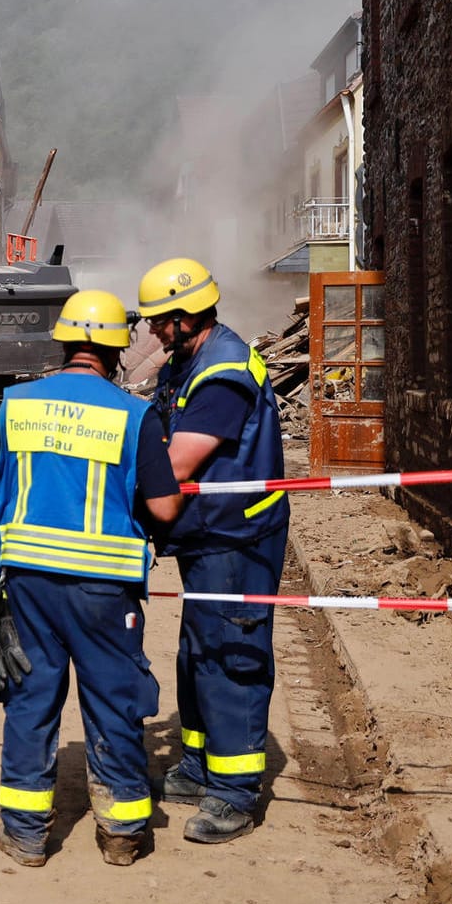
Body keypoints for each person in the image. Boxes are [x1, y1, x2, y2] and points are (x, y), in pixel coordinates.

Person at [0, 290, 183, 867]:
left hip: (27, 585)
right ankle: (120, 835)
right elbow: (164, 509)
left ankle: (24, 835)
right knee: (114, 703)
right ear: (117, 349)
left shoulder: (16, 403)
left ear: (63, 341)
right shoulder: (135, 415)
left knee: (30, 702)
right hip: (104, 590)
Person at [136, 256, 289, 845]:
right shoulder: (187, 361)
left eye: (157, 321)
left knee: (232, 655)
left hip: (238, 538)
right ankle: (200, 766)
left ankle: (234, 794)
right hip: (208, 537)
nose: (151, 330)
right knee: (196, 652)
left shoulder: (222, 372)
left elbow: (176, 461)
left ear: (184, 316)